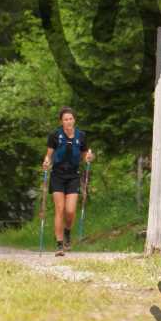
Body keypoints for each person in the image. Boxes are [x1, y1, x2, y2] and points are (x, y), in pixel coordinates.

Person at [42, 107, 94, 256]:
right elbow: (48, 155)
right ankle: (59, 245)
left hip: (73, 176)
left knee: (70, 211)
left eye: (70, 119)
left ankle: (67, 232)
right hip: (57, 175)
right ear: (61, 122)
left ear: (74, 120)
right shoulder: (55, 135)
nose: (68, 121)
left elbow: (85, 155)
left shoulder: (81, 136)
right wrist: (46, 162)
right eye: (65, 119)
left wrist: (89, 157)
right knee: (60, 209)